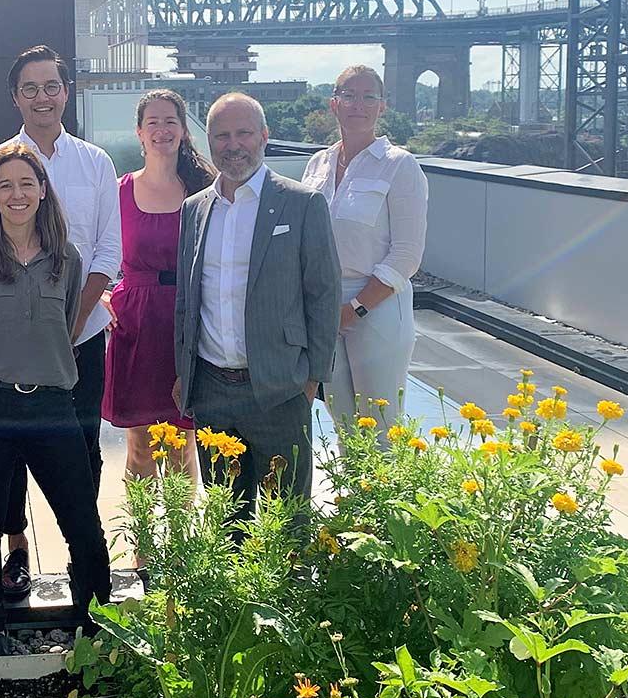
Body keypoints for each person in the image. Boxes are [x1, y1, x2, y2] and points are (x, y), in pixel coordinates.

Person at [0, 142, 111, 656]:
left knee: (81, 519)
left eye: (26, 184)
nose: (17, 194)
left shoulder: (67, 259)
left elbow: (66, 327)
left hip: (53, 407)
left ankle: (95, 626)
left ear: (42, 192)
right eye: (5, 185)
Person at [0, 44, 120, 599]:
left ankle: (85, 555)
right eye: (29, 88)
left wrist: (69, 325)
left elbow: (107, 252)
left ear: (67, 92)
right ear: (15, 97)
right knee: (5, 452)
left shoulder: (96, 163)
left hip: (82, 334)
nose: (42, 97)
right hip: (11, 346)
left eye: (51, 86)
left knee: (82, 444)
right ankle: (18, 551)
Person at [173, 93, 341, 513]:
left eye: (244, 133)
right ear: (209, 142)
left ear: (264, 136)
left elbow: (323, 293)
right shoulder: (194, 209)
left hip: (279, 390)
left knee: (287, 521)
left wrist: (312, 380)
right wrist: (184, 373)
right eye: (222, 135)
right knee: (225, 521)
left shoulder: (302, 204)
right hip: (211, 390)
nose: (234, 145)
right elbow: (186, 298)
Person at [301, 66, 429, 434]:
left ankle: (383, 494)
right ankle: (351, 494)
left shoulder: (399, 165)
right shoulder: (317, 164)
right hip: (326, 304)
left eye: (368, 96)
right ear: (333, 104)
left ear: (382, 107)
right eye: (349, 95)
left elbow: (407, 254)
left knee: (382, 425)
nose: (358, 104)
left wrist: (356, 308)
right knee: (343, 421)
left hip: (377, 305)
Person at [102, 89, 213, 491]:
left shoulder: (207, 190)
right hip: (136, 322)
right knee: (141, 446)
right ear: (139, 132)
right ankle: (144, 549)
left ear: (184, 131)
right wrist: (98, 295)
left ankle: (182, 549)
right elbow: (83, 249)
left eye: (171, 121)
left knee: (184, 444)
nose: (162, 130)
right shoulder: (117, 190)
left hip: (187, 323)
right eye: (153, 122)